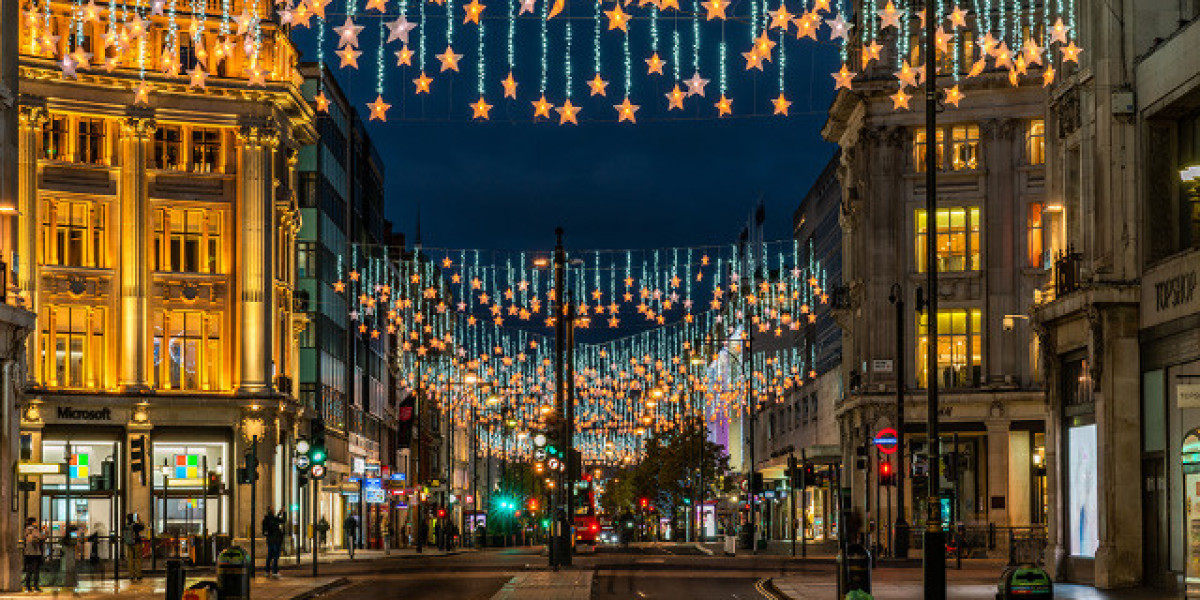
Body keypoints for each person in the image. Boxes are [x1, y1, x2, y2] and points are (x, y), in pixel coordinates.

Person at [22, 517, 44, 592]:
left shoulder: (26, 530)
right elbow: (41, 537)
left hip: (27, 553)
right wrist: (44, 531)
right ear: (33, 523)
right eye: (35, 522)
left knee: (29, 570)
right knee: (36, 570)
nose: (37, 523)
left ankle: (28, 587)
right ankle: (36, 587)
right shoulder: (34, 530)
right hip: (35, 553)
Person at [262, 507, 285, 578]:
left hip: (270, 540)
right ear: (271, 511)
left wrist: (279, 513)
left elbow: (265, 531)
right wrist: (283, 513)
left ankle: (267, 571)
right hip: (275, 540)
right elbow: (283, 520)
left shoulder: (265, 520)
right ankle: (274, 571)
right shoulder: (273, 519)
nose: (273, 511)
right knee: (275, 556)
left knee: (269, 556)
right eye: (273, 510)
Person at [125, 515, 145, 582]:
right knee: (138, 558)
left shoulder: (126, 526)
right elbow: (143, 527)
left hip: (129, 543)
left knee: (130, 559)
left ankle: (131, 575)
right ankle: (138, 575)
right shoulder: (136, 525)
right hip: (137, 543)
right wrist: (139, 520)